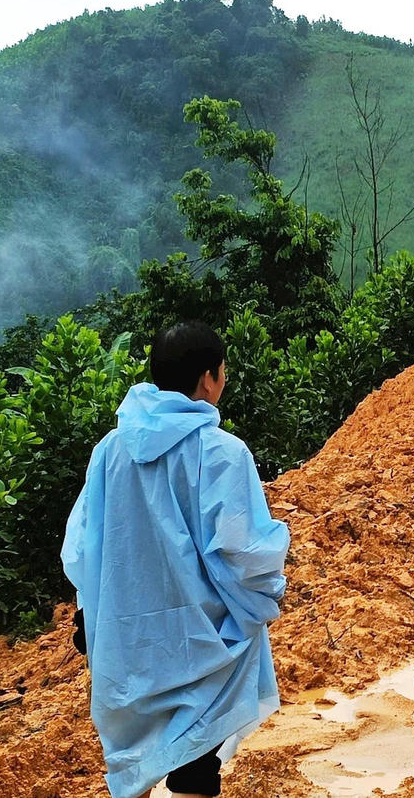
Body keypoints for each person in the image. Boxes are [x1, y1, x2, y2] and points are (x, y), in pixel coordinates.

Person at [62, 321, 290, 798]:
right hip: (199, 636)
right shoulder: (221, 452)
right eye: (223, 372)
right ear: (208, 378)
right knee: (196, 756)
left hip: (128, 634)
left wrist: (87, 611)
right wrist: (265, 599)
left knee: (133, 755)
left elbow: (83, 543)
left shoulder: (110, 450)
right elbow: (245, 549)